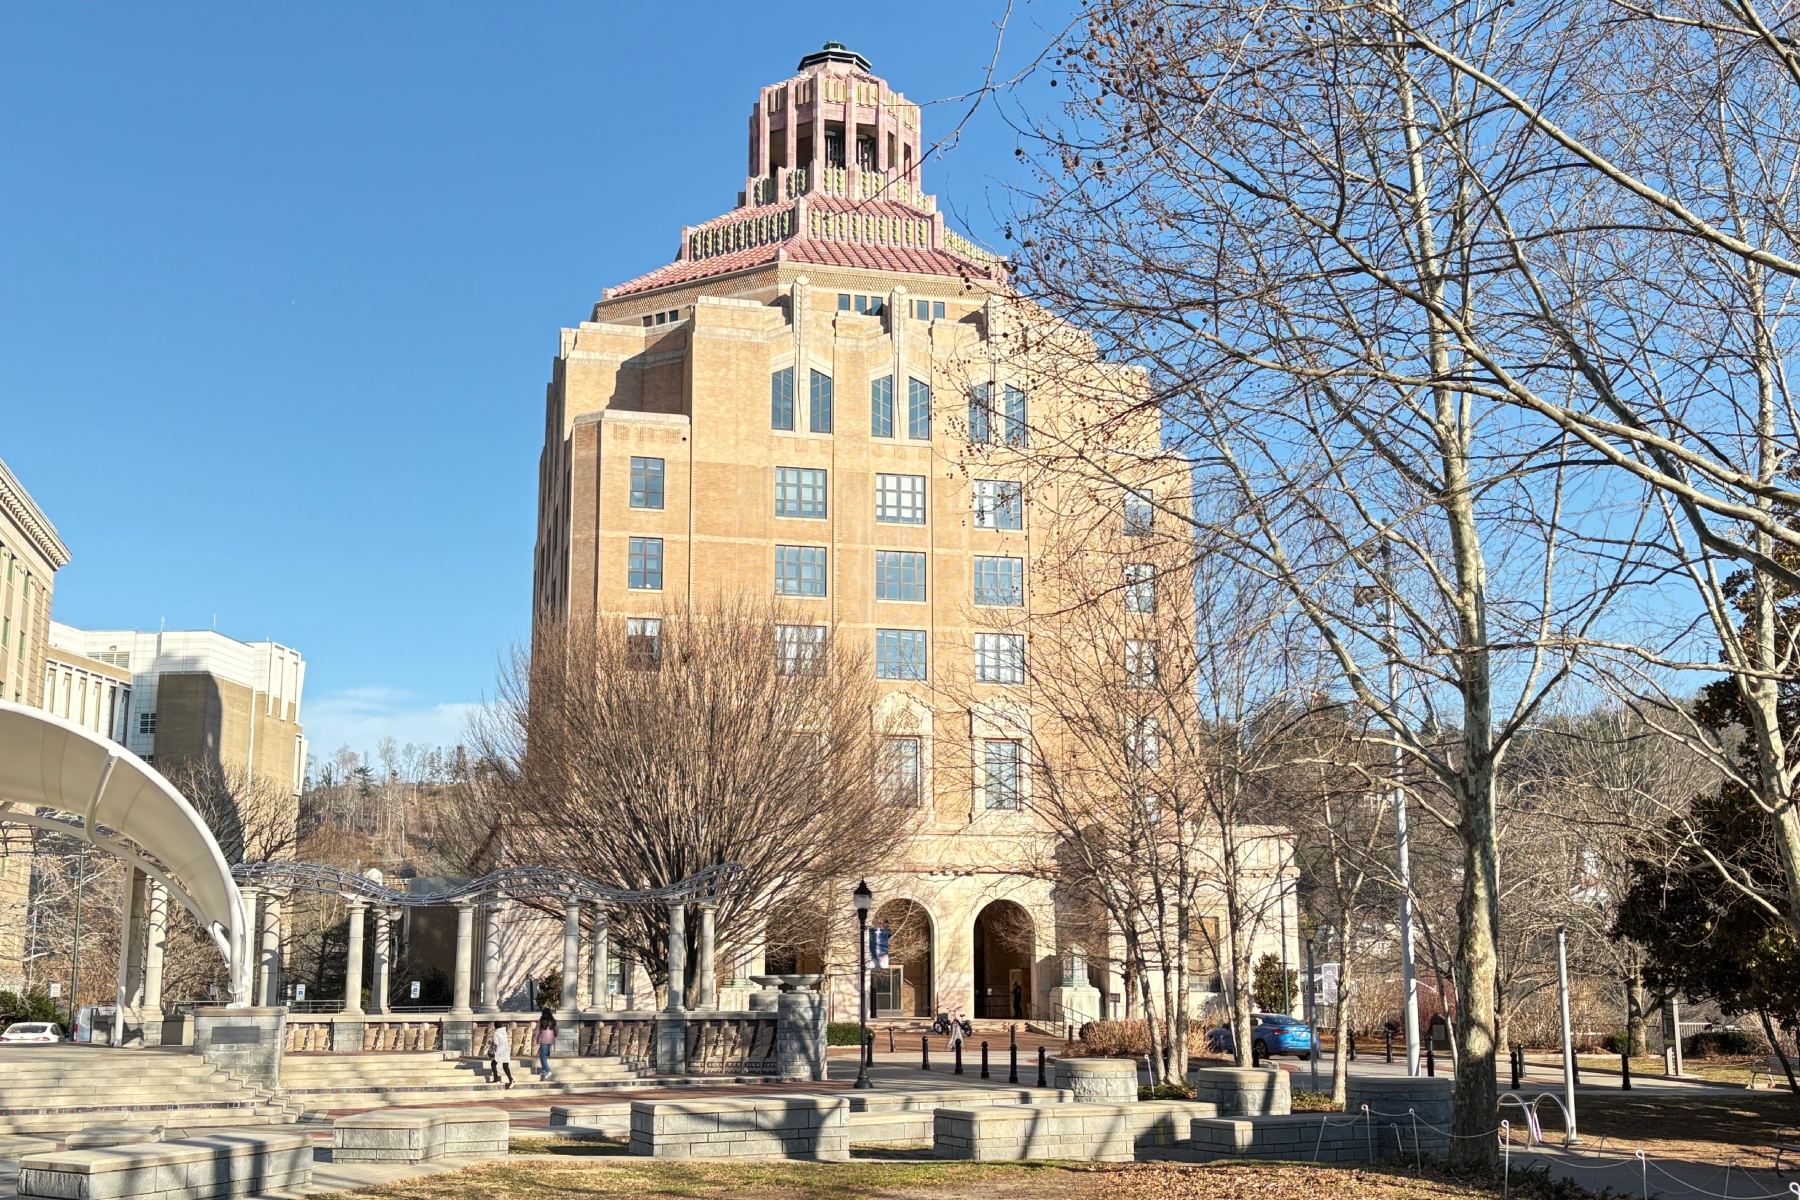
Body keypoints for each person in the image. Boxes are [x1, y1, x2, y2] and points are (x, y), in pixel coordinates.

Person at [489, 1023, 514, 1089]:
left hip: (500, 1051)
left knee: (493, 1064)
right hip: (506, 1051)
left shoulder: (496, 1033)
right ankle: (511, 1079)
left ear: (495, 1026)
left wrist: (490, 1043)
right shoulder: (504, 1032)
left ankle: (496, 1078)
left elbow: (496, 1043)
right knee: (505, 1066)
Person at [536, 1007, 558, 1080]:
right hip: (550, 1040)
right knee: (544, 1055)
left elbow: (537, 1031)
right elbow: (556, 1030)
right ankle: (543, 1070)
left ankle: (548, 1070)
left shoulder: (541, 1021)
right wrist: (554, 1036)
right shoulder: (552, 1021)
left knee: (542, 1056)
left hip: (543, 1040)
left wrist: (535, 1038)